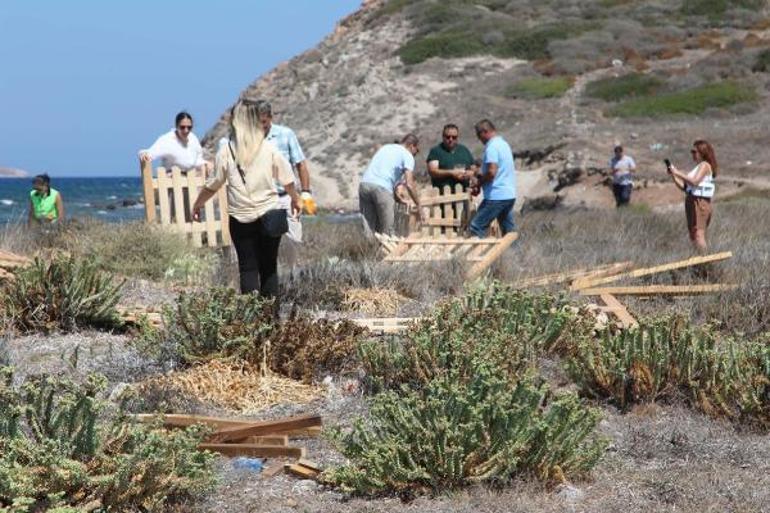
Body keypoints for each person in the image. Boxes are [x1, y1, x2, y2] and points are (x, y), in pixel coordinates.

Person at [191, 100, 301, 301]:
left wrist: (197, 204)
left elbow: (213, 184)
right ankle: (271, 321)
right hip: (269, 215)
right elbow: (288, 179)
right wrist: (296, 200)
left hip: (240, 219)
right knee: (269, 269)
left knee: (248, 269)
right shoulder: (268, 149)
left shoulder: (227, 151)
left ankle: (251, 322)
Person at [138, 111, 211, 221]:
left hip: (190, 181)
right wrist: (143, 154)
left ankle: (189, 238)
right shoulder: (167, 140)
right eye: (182, 127)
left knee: (191, 217)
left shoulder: (193, 139)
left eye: (189, 127)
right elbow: (150, 152)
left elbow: (196, 160)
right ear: (176, 126)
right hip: (172, 182)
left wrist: (205, 163)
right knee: (174, 217)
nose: (186, 130)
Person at [358, 134, 422, 235]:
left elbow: (385, 179)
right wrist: (419, 204)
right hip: (381, 188)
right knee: (388, 229)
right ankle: (386, 249)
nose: (416, 153)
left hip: (364, 185)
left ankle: (368, 250)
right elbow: (409, 184)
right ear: (412, 146)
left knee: (368, 229)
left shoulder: (386, 147)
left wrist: (400, 200)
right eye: (417, 150)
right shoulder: (407, 155)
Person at [667, 140, 717, 252]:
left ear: (702, 152)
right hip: (691, 199)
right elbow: (685, 188)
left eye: (694, 151)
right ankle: (699, 258)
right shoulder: (698, 167)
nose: (692, 154)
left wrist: (677, 172)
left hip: (700, 202)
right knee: (693, 234)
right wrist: (674, 176)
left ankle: (705, 261)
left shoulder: (704, 165)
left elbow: (694, 182)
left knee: (699, 234)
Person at [469, 119, 516, 237]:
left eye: (479, 136)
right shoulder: (504, 144)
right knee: (508, 232)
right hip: (508, 195)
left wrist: (479, 183)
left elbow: (491, 172)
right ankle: (516, 254)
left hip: (496, 196)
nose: (479, 140)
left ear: (484, 132)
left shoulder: (492, 147)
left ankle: (480, 254)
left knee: (476, 226)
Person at [426, 124, 476, 192]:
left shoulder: (464, 150)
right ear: (443, 137)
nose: (451, 139)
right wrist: (451, 173)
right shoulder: (436, 151)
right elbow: (433, 171)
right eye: (448, 137)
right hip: (444, 195)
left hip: (464, 193)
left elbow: (473, 168)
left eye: (454, 137)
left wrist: (469, 173)